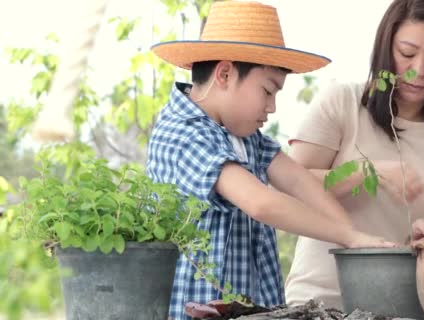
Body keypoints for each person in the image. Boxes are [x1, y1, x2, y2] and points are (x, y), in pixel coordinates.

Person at [146, 2, 397, 320]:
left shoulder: (242, 135)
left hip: (245, 307)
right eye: (267, 91)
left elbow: (297, 179)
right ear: (224, 74)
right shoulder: (184, 132)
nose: (273, 107)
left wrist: (351, 235)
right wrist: (347, 237)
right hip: (193, 309)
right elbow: (260, 203)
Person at [284, 0, 424, 310]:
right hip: (317, 303)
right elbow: (288, 189)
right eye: (407, 54)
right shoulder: (342, 102)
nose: (419, 70)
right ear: (386, 48)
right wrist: (369, 172)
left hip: (400, 307)